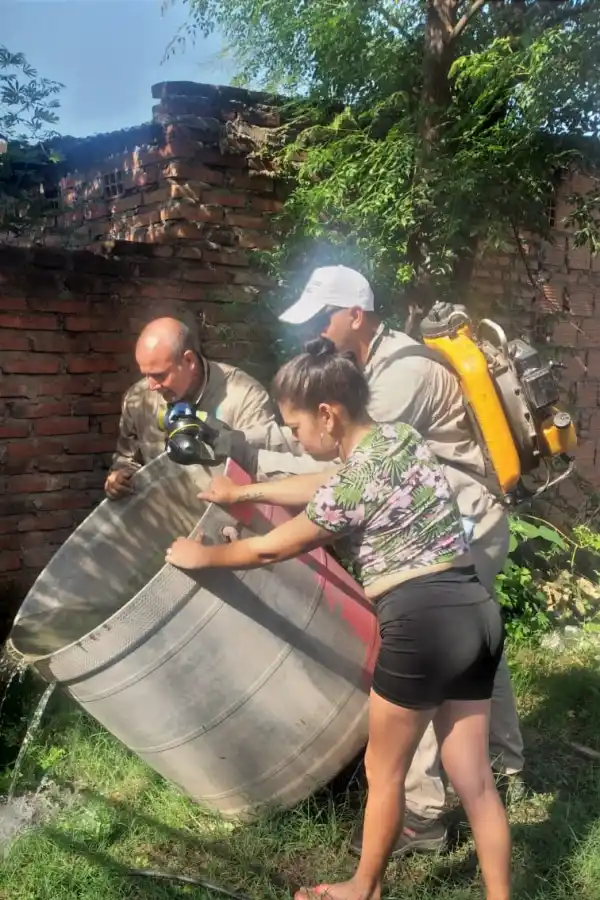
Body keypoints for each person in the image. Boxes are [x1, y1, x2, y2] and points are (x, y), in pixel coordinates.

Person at [166, 338, 512, 900]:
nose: (297, 439)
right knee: (472, 778)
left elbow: (268, 549)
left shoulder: (353, 482)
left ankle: (365, 887)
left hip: (420, 624)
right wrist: (245, 490)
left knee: (385, 771)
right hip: (474, 611)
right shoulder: (400, 439)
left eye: (297, 428)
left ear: (328, 415)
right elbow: (325, 487)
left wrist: (201, 555)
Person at [239, 266, 524, 855]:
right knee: (470, 651)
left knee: (422, 671)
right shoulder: (370, 370)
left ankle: (421, 814)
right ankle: (504, 766)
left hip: (457, 528)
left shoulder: (404, 375)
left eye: (323, 318)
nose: (314, 332)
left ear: (355, 316)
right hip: (459, 527)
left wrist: (253, 474)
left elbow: (343, 471)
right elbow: (309, 440)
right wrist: (251, 450)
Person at [104, 316, 277, 500]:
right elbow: (127, 460)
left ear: (189, 361)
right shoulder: (138, 399)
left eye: (159, 375)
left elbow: (268, 473)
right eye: (146, 375)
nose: (151, 385)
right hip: (166, 517)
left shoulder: (245, 397)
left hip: (229, 516)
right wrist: (118, 480)